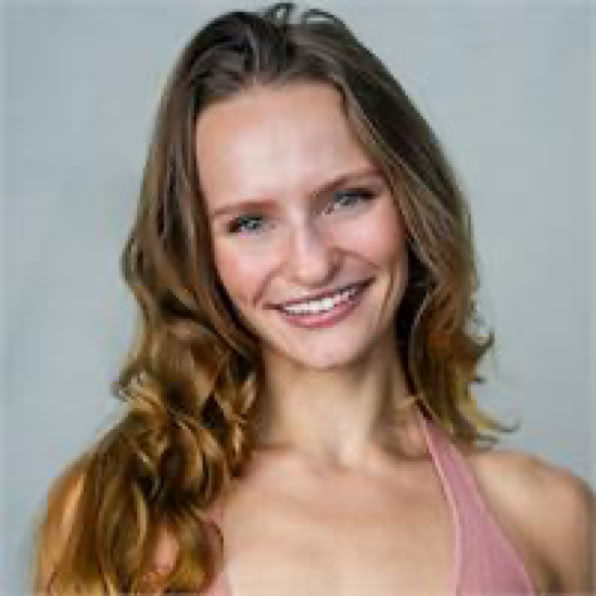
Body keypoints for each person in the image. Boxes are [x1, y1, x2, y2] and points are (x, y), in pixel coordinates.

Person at [33, 3, 593, 594]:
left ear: (411, 203)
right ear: (199, 253)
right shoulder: (116, 514)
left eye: (347, 198)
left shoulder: (549, 520)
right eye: (250, 223)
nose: (312, 264)